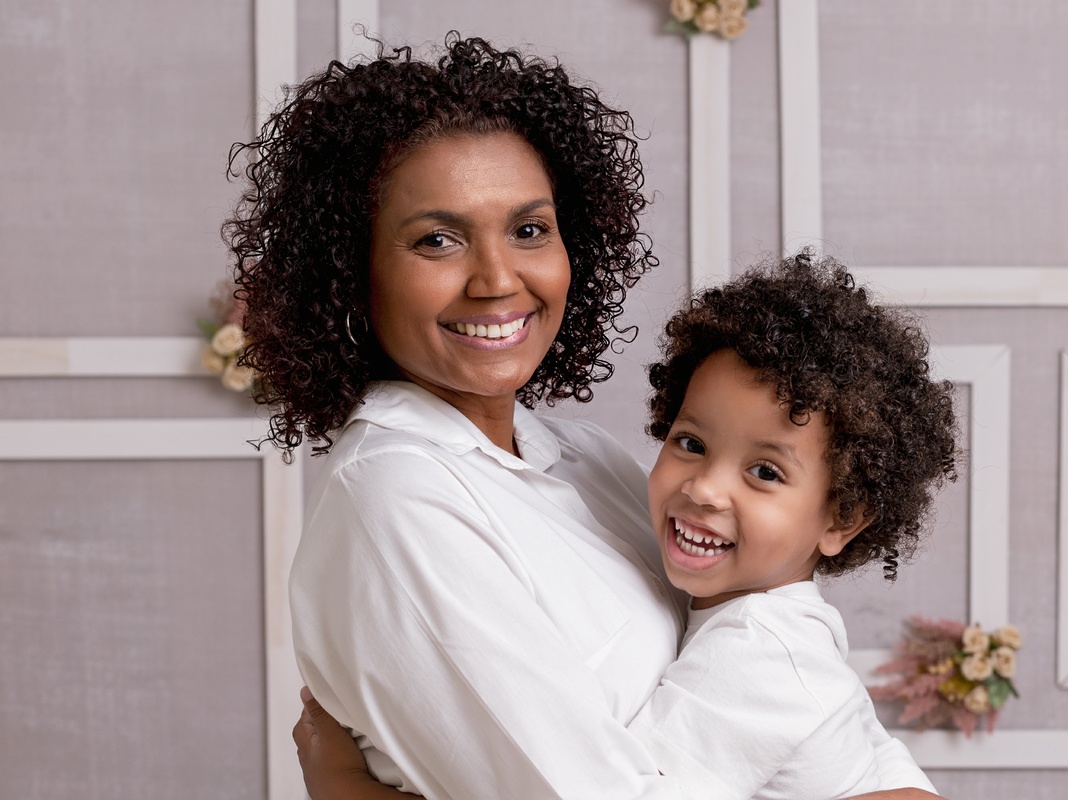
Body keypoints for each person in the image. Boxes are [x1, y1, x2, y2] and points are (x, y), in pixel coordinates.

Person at [227, 32, 944, 800]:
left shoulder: (585, 459)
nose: (499, 279)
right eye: (438, 240)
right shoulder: (396, 501)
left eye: (529, 229)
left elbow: (817, 720)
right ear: (351, 271)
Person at [624, 253, 958, 799]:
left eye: (764, 472)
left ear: (841, 519)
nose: (704, 489)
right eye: (691, 443)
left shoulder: (760, 651)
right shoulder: (792, 625)